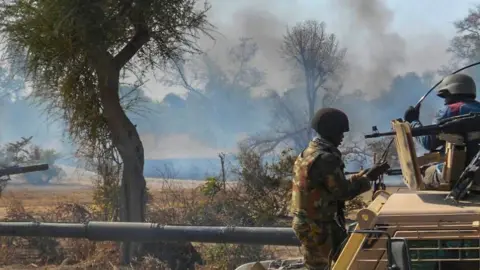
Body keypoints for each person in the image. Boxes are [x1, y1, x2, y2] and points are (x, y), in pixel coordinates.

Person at [290, 108, 373, 269]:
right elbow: (342, 193)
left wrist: (355, 179)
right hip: (316, 226)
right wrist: (366, 181)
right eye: (340, 133)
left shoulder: (308, 153)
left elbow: (328, 186)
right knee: (322, 266)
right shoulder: (326, 158)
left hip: (313, 222)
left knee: (347, 256)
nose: (342, 137)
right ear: (331, 132)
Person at [404, 73, 480, 190]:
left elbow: (428, 142)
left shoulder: (450, 110)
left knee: (424, 173)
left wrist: (413, 121)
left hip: (460, 175)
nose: (445, 101)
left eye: (446, 96)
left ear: (453, 92)